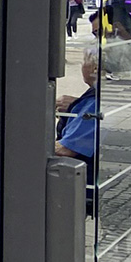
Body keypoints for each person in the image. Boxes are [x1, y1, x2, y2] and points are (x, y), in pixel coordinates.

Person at [56, 46, 99, 188]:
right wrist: (75, 106)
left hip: (83, 184)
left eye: (84, 61)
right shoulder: (101, 95)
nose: (82, 65)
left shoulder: (94, 103)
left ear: (95, 69)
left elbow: (65, 150)